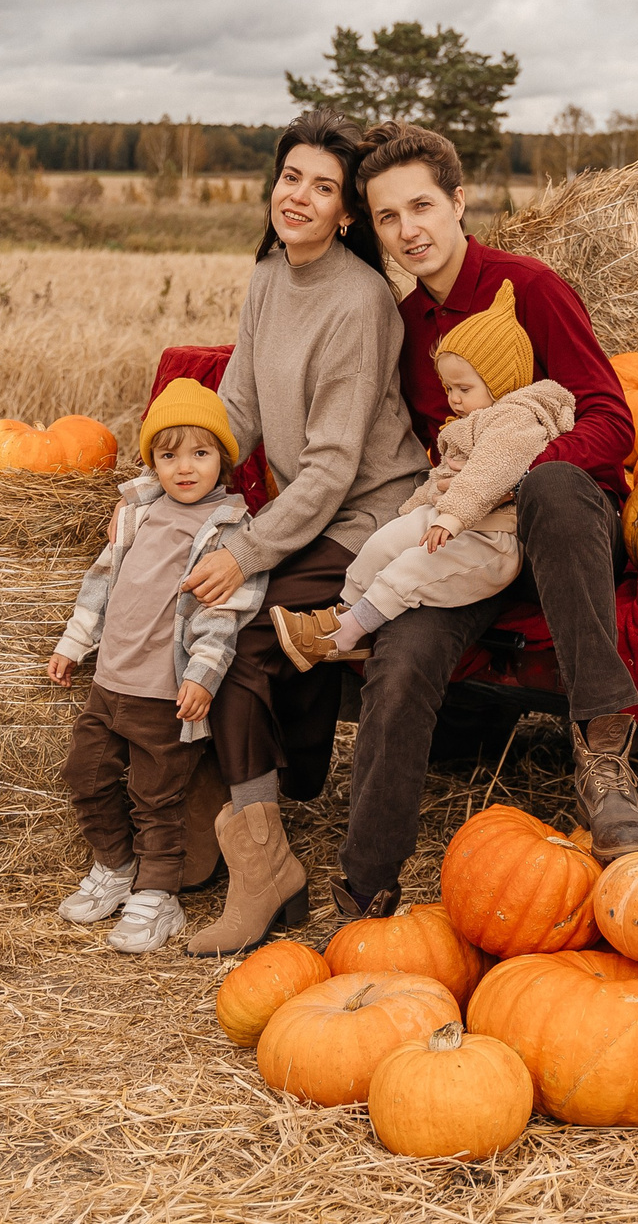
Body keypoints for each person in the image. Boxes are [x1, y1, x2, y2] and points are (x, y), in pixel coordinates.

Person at [331, 122, 638, 922]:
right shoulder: (407, 332)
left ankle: (604, 757)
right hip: (465, 542)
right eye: (390, 217)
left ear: (459, 201)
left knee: (553, 486)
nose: (411, 230)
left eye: (424, 206)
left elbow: (612, 419)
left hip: (560, 528)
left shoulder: (530, 288)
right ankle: (366, 884)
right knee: (399, 659)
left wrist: (513, 476)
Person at [182, 108, 429, 955]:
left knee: (243, 622)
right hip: (317, 509)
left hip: (371, 517)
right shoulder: (266, 278)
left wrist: (243, 549)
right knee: (216, 606)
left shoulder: (359, 303)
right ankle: (259, 835)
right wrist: (168, 482)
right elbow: (241, 412)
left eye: (324, 187)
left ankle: (263, 868)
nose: (300, 197)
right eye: (292, 178)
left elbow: (328, 470)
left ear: (347, 213)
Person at [46, 378, 266, 955]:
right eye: (169, 456)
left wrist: (201, 677)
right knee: (86, 776)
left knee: (156, 798)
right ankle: (116, 866)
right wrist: (74, 644)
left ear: (224, 458)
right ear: (153, 463)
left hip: (162, 693)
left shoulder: (229, 530)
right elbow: (101, 585)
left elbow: (225, 615)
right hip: (109, 684)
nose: (185, 468)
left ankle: (158, 895)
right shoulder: (137, 515)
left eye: (201, 452)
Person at [270, 281, 575, 667]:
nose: (454, 398)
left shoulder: (516, 419)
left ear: (501, 383)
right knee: (382, 544)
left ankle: (345, 635)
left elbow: (489, 471)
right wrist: (414, 510)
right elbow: (439, 479)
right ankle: (342, 613)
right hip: (452, 521)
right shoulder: (473, 421)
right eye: (448, 387)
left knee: (409, 571)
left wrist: (451, 516)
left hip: (491, 539)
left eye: (464, 387)